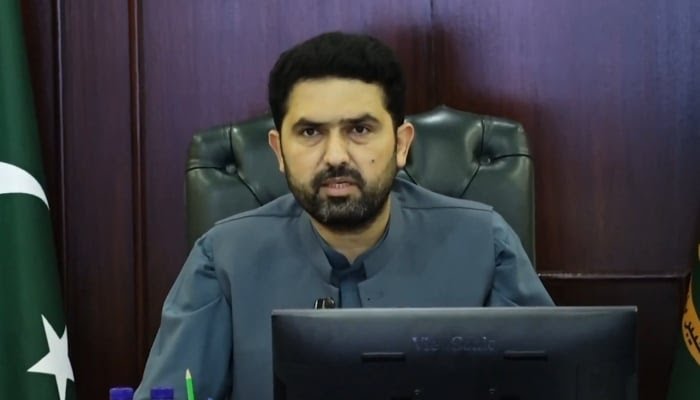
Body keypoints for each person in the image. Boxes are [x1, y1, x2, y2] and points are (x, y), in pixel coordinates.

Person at [134, 31, 554, 400]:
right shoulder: (222, 258)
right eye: (310, 132)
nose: (335, 156)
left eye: (360, 129)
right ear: (279, 151)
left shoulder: (485, 245)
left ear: (401, 144)